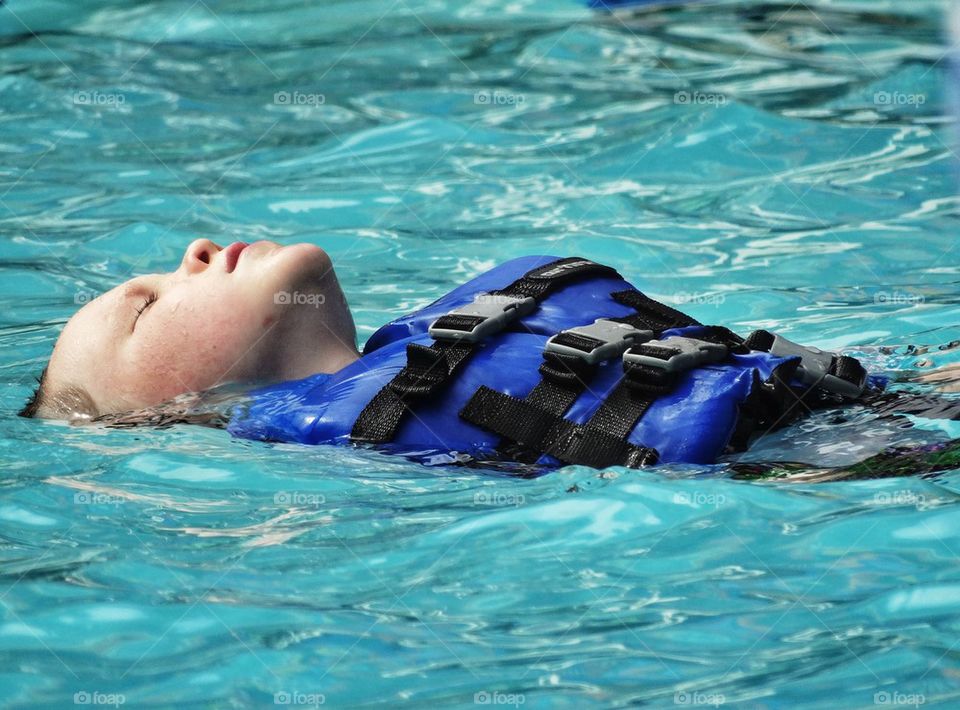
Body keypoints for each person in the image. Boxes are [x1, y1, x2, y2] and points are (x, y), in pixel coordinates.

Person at [18, 239, 956, 475]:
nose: (185, 257)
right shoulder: (340, 451)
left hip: (887, 396)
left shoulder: (462, 323)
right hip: (828, 469)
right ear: (161, 416)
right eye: (142, 309)